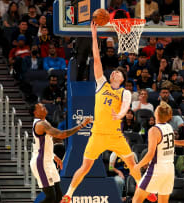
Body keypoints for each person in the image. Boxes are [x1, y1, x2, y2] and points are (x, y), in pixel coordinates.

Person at [60, 22, 157, 203]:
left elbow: (126, 105)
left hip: (115, 135)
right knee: (85, 166)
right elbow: (97, 59)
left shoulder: (124, 92)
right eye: (113, 73)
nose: (114, 74)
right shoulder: (101, 84)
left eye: (118, 74)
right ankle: (68, 194)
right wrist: (94, 35)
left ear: (122, 79)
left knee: (132, 164)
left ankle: (145, 189)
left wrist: (120, 115)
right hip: (97, 134)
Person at [30, 103, 90, 203]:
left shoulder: (44, 122)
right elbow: (61, 135)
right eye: (41, 107)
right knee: (51, 197)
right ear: (35, 112)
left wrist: (53, 156)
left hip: (48, 161)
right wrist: (81, 125)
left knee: (58, 197)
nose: (44, 107)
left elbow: (41, 145)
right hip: (41, 163)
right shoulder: (40, 124)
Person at [132, 102, 175, 203]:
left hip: (157, 168)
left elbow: (150, 154)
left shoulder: (154, 130)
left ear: (156, 114)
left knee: (136, 200)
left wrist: (137, 166)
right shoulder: (169, 127)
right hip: (169, 169)